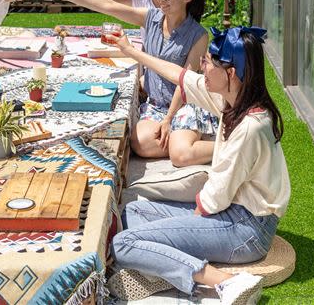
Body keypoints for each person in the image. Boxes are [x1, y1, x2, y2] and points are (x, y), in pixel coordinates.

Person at [106, 27, 290, 303]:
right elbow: (179, 75)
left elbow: (217, 194)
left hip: (246, 229)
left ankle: (226, 281)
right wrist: (131, 51)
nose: (202, 68)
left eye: (208, 63)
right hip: (231, 212)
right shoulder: (231, 100)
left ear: (231, 73)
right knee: (132, 212)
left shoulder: (251, 126)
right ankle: (168, 267)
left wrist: (190, 221)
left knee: (123, 243)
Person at [53, 0, 219, 167]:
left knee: (180, 156)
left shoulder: (198, 35)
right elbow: (108, 6)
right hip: (156, 104)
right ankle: (184, 138)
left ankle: (225, 145)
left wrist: (168, 120)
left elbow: (185, 83)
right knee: (139, 143)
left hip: (184, 105)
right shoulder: (151, 18)